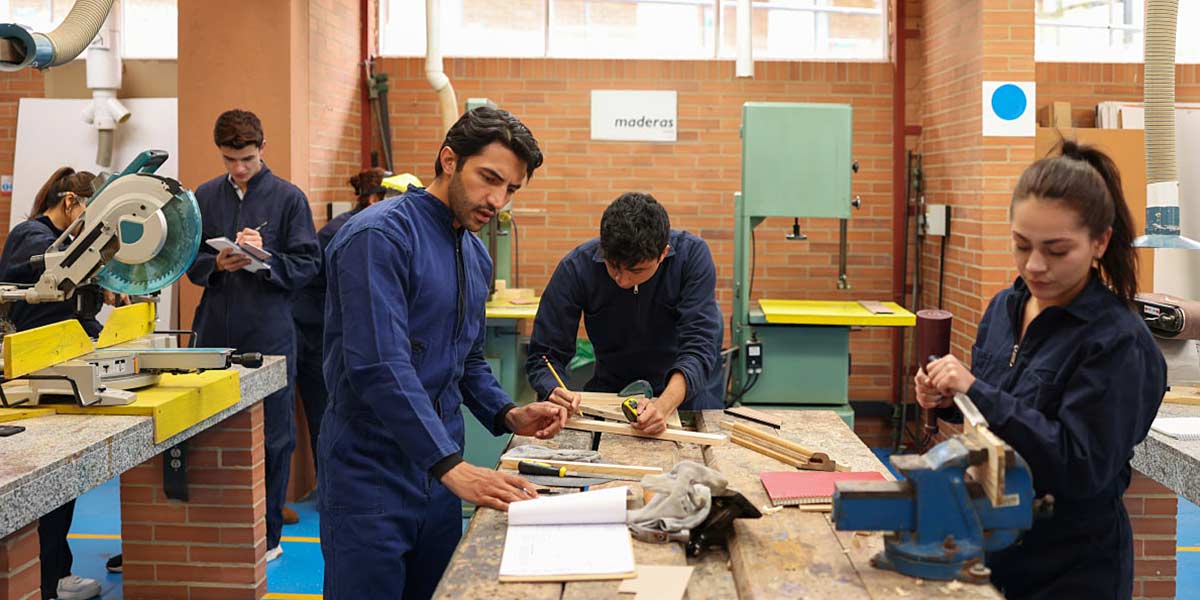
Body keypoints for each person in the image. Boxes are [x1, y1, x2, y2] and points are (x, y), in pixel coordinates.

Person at [319, 106, 567, 599]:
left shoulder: (473, 252)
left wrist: (508, 412)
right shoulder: (380, 237)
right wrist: (451, 464)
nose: (496, 200)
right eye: (489, 178)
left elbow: (466, 359)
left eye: (511, 190)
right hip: (371, 476)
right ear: (449, 160)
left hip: (436, 483)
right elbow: (380, 366)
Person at [915, 141, 1166, 598]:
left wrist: (978, 390)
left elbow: (1079, 465)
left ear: (1100, 242)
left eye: (1056, 250)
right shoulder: (1003, 310)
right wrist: (952, 400)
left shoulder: (1117, 342)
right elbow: (999, 415)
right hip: (994, 552)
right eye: (1021, 245)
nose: (1034, 265)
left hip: (1069, 571)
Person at [186, 109, 320, 563]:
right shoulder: (204, 196)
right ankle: (211, 526)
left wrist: (266, 260)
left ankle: (269, 537)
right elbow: (189, 264)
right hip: (215, 331)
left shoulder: (288, 199)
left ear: (262, 148)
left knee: (276, 436)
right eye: (229, 159)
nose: (238, 168)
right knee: (206, 429)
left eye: (245, 158)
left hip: (270, 331)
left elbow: (308, 265)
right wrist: (215, 266)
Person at [526, 192, 724, 434]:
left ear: (663, 253)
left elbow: (700, 346)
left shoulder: (691, 258)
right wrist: (553, 389)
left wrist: (663, 405)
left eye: (636, 270)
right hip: (612, 395)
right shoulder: (577, 268)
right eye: (613, 266)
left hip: (686, 397)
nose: (622, 280)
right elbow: (544, 355)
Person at [0, 167, 109, 600]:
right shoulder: (33, 237)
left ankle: (55, 571)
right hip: (29, 373)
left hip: (55, 363)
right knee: (45, 483)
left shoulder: (55, 240)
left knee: (60, 483)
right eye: (87, 213)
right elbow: (57, 276)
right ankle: (48, 579)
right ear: (69, 204)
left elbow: (76, 307)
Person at [292, 168, 408, 475]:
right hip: (315, 332)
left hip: (325, 327)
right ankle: (328, 482)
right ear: (374, 199)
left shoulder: (361, 228)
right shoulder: (349, 233)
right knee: (325, 410)